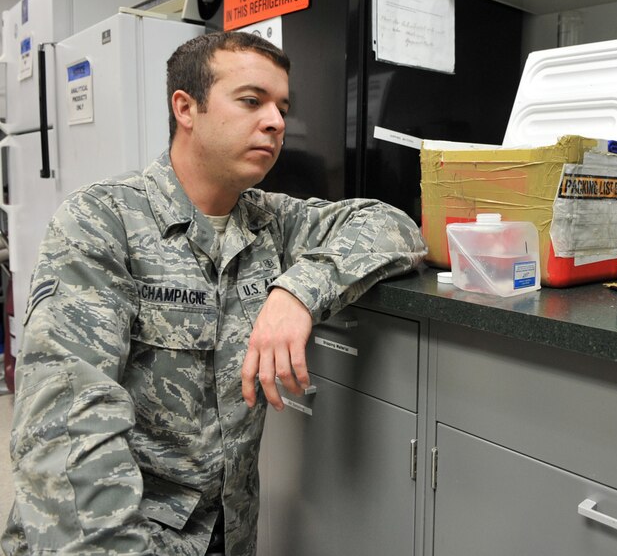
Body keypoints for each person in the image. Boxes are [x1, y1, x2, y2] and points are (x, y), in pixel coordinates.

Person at [1, 31, 426, 555]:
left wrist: (298, 290)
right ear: (186, 108)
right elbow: (66, 439)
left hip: (230, 532)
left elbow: (396, 226)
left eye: (281, 107)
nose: (275, 122)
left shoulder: (269, 221)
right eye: (251, 100)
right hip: (121, 537)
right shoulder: (101, 222)